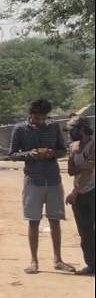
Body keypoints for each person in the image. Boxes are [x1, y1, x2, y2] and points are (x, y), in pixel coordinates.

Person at [9, 99, 74, 274]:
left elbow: (62, 150)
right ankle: (34, 261)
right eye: (37, 117)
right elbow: (13, 154)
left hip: (53, 179)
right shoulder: (20, 130)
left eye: (43, 118)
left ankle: (58, 260)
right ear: (31, 115)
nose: (40, 121)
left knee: (55, 220)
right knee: (33, 221)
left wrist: (53, 153)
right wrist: (30, 154)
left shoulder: (53, 127)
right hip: (33, 180)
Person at [65, 116, 94, 275]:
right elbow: (71, 171)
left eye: (72, 130)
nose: (70, 134)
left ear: (81, 129)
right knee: (85, 232)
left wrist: (74, 193)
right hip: (80, 192)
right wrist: (73, 155)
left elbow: (88, 171)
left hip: (91, 190)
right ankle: (92, 265)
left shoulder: (93, 144)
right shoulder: (73, 146)